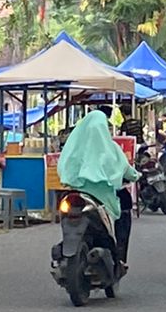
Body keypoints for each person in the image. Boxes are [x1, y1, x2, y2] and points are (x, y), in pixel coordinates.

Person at [57, 109, 142, 268]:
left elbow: (62, 169)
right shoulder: (111, 148)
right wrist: (136, 176)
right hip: (103, 199)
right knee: (124, 207)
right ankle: (120, 257)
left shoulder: (71, 148)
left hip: (75, 194)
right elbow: (127, 171)